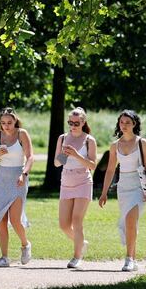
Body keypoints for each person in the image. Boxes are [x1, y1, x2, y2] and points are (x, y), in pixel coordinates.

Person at [99, 110, 146, 272]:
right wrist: (104, 192)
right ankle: (133, 257)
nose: (124, 125)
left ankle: (129, 259)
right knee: (128, 222)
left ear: (134, 124)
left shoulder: (142, 143)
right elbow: (110, 170)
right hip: (123, 186)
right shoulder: (115, 145)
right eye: (122, 122)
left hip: (139, 186)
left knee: (131, 220)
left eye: (128, 123)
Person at [0, 108, 34, 268]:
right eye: (3, 123)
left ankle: (25, 244)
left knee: (15, 220)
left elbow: (30, 157)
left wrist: (24, 174)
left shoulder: (21, 134)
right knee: (0, 220)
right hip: (1, 180)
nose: (6, 126)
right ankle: (4, 257)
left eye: (9, 123)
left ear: (15, 121)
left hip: (18, 178)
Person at [54, 107, 97, 269]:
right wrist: (65, 155)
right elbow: (57, 163)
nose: (73, 126)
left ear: (83, 122)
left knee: (77, 220)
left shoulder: (89, 140)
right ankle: (81, 243)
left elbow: (92, 165)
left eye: (76, 123)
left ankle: (77, 257)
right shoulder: (62, 138)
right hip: (66, 180)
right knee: (64, 225)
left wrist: (76, 155)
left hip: (83, 182)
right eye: (70, 122)